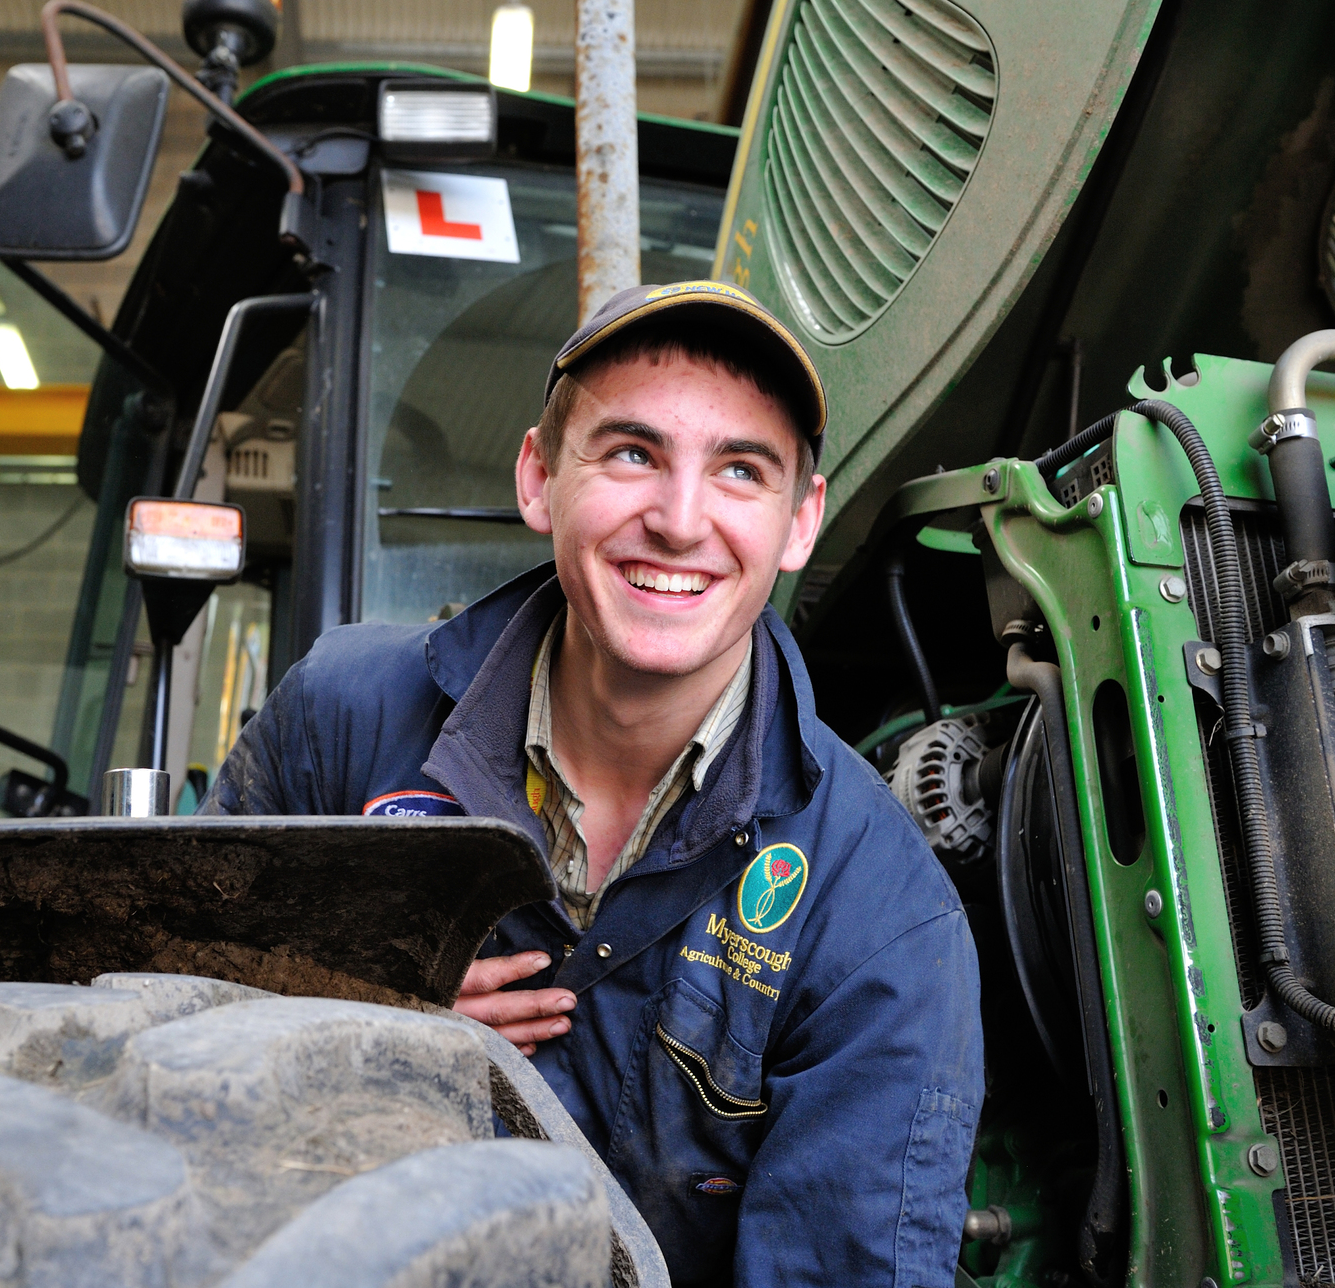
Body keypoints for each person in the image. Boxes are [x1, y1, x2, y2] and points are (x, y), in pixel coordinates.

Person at [214, 280, 983, 1286]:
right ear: (538, 478)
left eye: (739, 470)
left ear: (799, 523)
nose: (676, 519)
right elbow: (149, 1017)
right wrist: (356, 1020)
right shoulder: (344, 721)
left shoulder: (875, 913)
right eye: (631, 453)